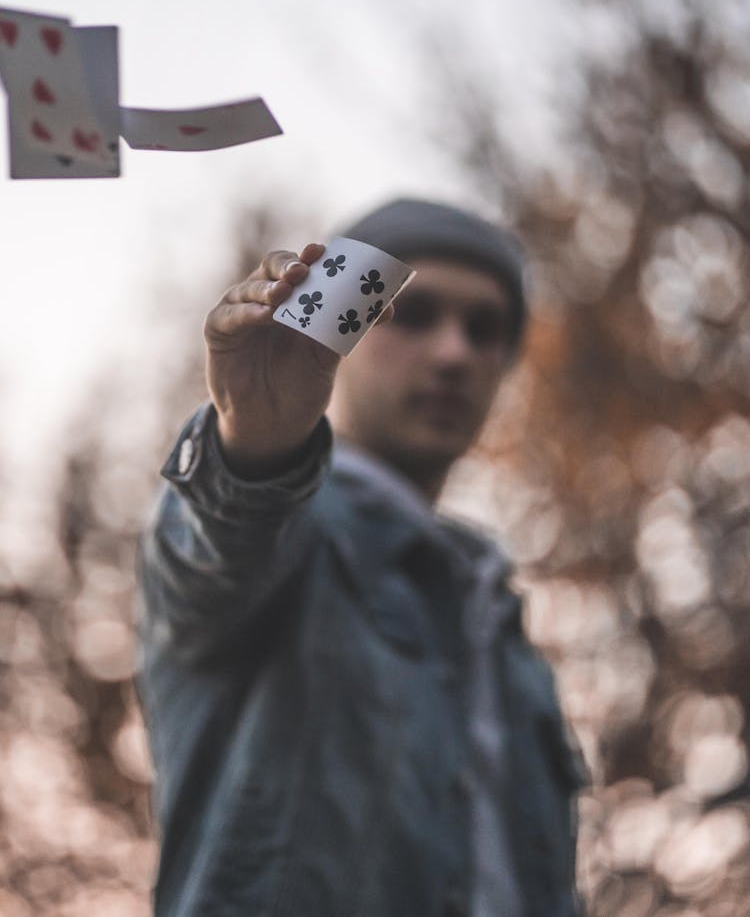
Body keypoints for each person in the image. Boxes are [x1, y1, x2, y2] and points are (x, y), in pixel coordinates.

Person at [136, 198, 585, 917]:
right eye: (411, 314)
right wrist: (255, 445)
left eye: (485, 329)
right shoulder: (285, 533)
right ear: (338, 321)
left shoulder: (497, 622)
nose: (453, 353)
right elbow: (217, 552)